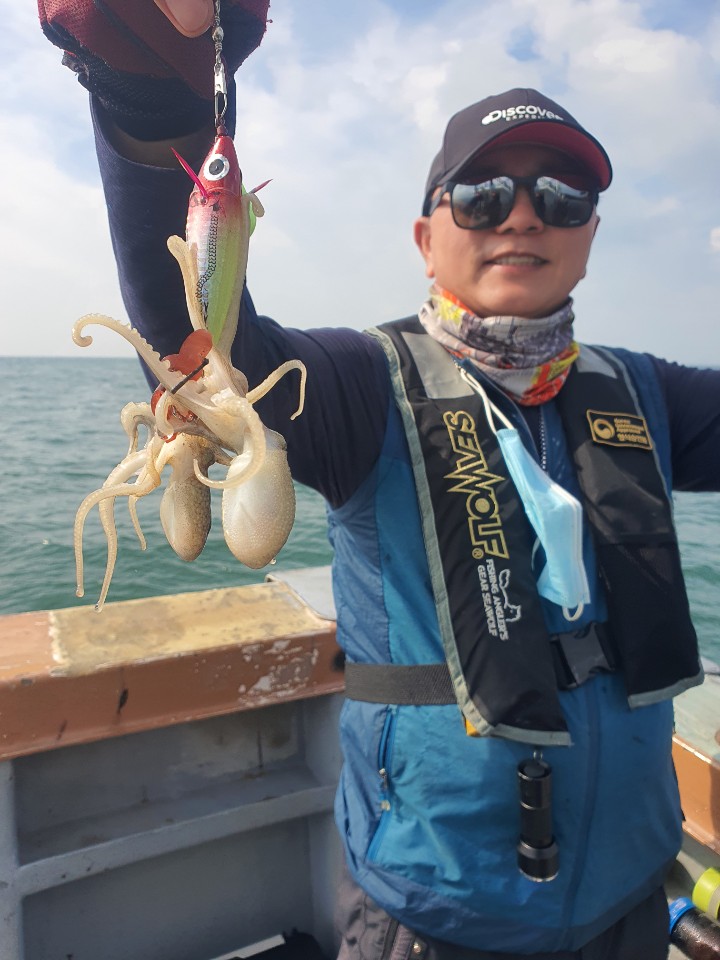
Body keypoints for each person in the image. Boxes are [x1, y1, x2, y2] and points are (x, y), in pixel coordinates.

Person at [39, 3, 720, 958]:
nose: (524, 214)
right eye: (482, 193)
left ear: (592, 231)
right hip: (430, 911)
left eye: (563, 196)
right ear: (425, 236)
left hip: (633, 900)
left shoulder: (650, 393)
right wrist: (154, 86)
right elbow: (198, 340)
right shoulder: (362, 385)